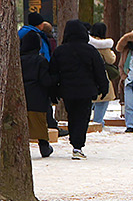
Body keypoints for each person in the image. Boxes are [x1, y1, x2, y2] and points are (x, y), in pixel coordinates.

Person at [48, 20, 110, 158]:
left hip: (67, 91)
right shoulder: (90, 51)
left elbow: (53, 73)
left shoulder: (60, 51)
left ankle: (75, 142)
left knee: (72, 116)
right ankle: (78, 145)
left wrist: (53, 93)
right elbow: (99, 71)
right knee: (83, 117)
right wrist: (103, 88)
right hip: (86, 91)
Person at [18, 24, 57, 158]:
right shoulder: (40, 61)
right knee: (40, 123)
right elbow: (45, 80)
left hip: (21, 96)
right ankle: (44, 146)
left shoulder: (18, 61)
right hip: (38, 97)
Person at [88, 23, 115, 127]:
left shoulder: (87, 43)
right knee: (102, 101)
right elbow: (111, 60)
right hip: (101, 77)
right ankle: (98, 124)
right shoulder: (103, 45)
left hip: (88, 78)